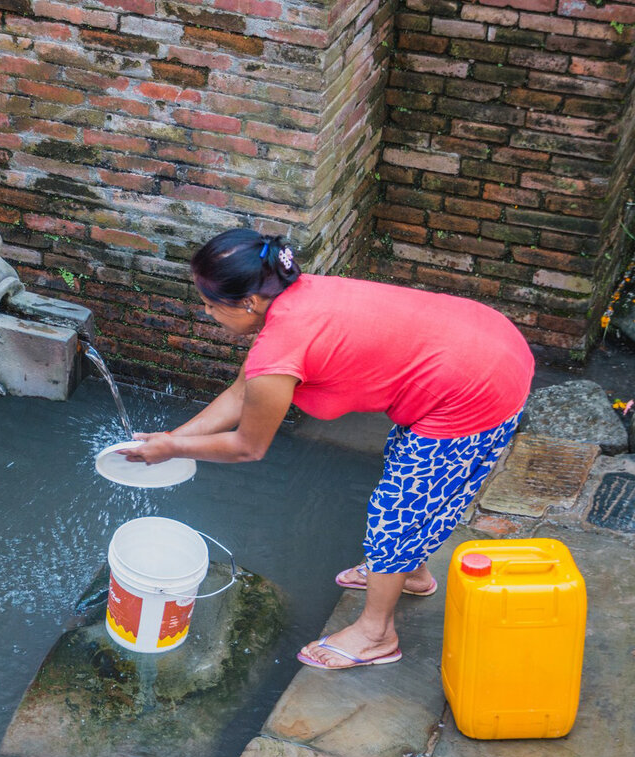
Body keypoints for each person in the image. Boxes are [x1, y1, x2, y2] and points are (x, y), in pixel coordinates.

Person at [121, 228, 534, 670]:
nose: (205, 312)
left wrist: (174, 451)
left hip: (477, 386)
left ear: (249, 303)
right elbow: (242, 394)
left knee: (399, 509)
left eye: (210, 303)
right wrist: (170, 442)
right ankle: (406, 572)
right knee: (413, 471)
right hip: (480, 342)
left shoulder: (280, 346)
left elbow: (248, 447)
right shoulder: (296, 298)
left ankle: (377, 634)